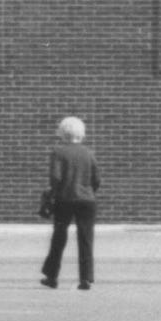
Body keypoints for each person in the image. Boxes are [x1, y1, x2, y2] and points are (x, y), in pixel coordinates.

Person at [41, 116, 101, 289]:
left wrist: (52, 193)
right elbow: (97, 179)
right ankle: (86, 278)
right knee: (86, 239)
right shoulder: (89, 153)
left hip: (64, 199)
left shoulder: (58, 152)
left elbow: (56, 177)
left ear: (62, 133)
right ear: (81, 133)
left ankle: (52, 276)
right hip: (87, 200)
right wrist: (89, 191)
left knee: (59, 237)